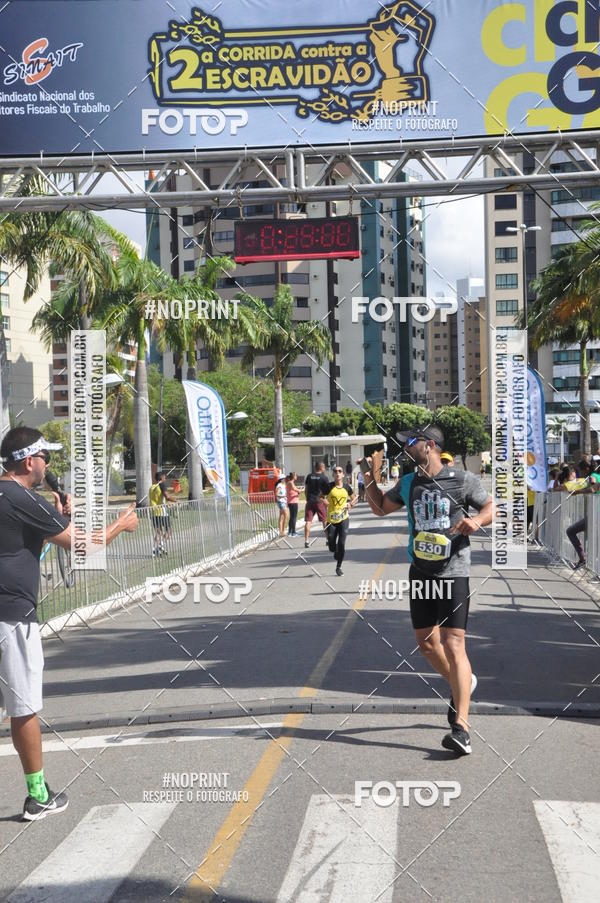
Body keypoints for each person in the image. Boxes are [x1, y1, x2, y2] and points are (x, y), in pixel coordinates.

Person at [0, 427, 138, 820]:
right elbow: (87, 546)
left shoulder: (16, 499)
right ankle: (37, 794)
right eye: (45, 457)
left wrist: (49, 524)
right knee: (22, 708)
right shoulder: (25, 497)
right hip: (12, 619)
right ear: (29, 462)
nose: (48, 465)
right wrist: (120, 525)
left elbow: (17, 547)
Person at [362, 425, 493, 756]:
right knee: (426, 645)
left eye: (412, 441)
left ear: (430, 445)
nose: (406, 445)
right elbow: (380, 508)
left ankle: (461, 728)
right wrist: (369, 477)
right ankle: (461, 684)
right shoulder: (408, 483)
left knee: (453, 643)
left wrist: (476, 522)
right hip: (420, 572)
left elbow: (491, 507)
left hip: (454, 572)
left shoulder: (463, 480)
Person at [325, 465, 357, 576]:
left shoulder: (347, 487)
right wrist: (324, 502)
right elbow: (320, 497)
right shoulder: (328, 487)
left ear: (343, 474)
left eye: (340, 471)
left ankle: (339, 567)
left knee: (342, 544)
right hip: (331, 520)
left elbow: (354, 498)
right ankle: (334, 549)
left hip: (344, 518)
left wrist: (351, 505)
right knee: (332, 546)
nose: (337, 473)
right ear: (333, 474)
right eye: (335, 471)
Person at [149, 471, 176, 556]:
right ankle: (161, 544)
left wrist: (165, 505)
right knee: (169, 530)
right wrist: (176, 500)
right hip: (162, 512)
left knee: (158, 532)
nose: (165, 479)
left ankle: (154, 549)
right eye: (164, 477)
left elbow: (157, 499)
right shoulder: (162, 485)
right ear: (161, 478)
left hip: (154, 512)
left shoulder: (152, 487)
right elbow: (167, 497)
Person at [303, 462, 329, 548]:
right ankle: (328, 540)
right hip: (319, 501)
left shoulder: (309, 476)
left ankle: (306, 541)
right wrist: (325, 500)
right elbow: (327, 491)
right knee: (324, 521)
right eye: (324, 467)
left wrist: (307, 498)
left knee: (308, 521)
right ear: (321, 468)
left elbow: (306, 489)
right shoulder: (324, 478)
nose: (324, 469)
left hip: (310, 501)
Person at [286, 472, 299, 537]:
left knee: (292, 517)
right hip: (293, 502)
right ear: (293, 476)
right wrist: (301, 490)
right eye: (296, 475)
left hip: (293, 501)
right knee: (293, 517)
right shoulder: (290, 482)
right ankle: (293, 532)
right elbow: (295, 489)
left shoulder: (290, 482)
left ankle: (290, 531)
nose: (296, 476)